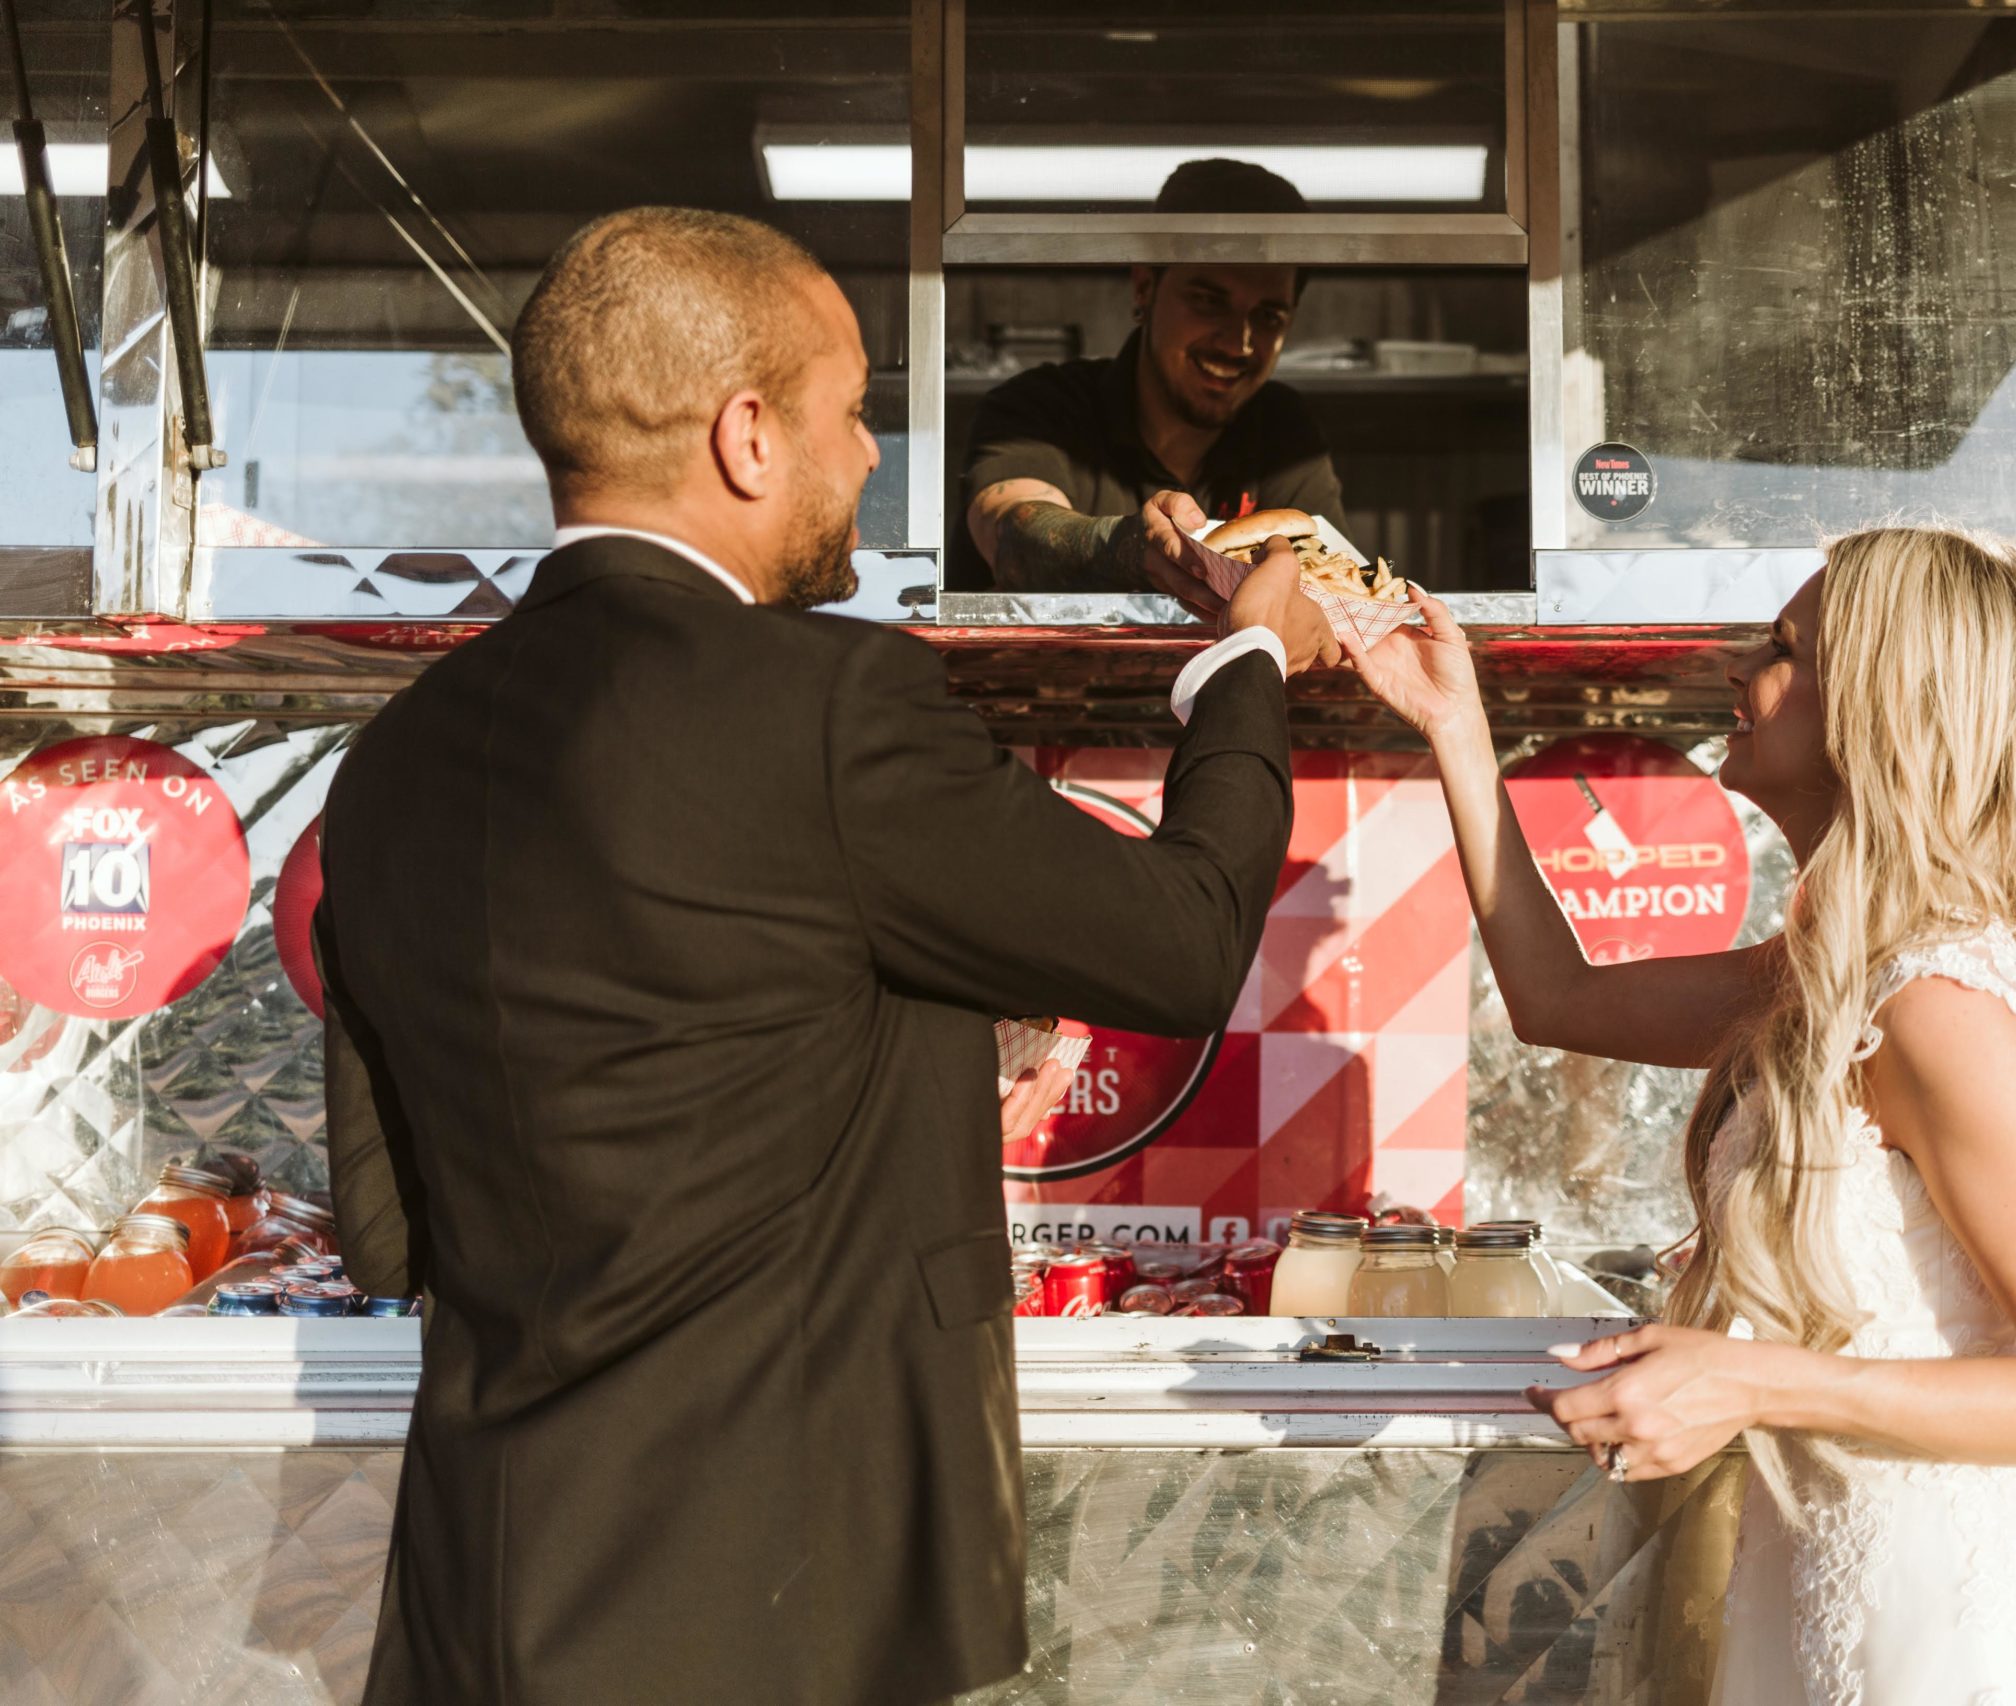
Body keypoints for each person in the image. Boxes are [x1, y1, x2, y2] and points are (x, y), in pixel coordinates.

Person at [313, 207, 1335, 1706]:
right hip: (776, 1613)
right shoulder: (836, 703)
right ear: (746, 437)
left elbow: (391, 1235)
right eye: (852, 413)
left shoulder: (387, 766)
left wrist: (904, 1042)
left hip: (481, 1604)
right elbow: (1181, 944)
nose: (869, 458)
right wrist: (1246, 664)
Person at [1348, 526, 2016, 1702]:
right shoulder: (1833, 974)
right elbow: (1552, 995)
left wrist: (1753, 1380)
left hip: (1948, 1634)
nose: (1739, 667)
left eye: (1783, 648)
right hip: (1822, 1592)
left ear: (1881, 705)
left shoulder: (1939, 1002)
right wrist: (1453, 719)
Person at [955, 158, 1345, 602]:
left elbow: (1329, 577)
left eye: (1268, 316)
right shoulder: (1039, 405)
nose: (1238, 343)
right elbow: (1011, 537)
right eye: (1208, 301)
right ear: (1144, 286)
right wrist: (1129, 549)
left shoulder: (1281, 427)